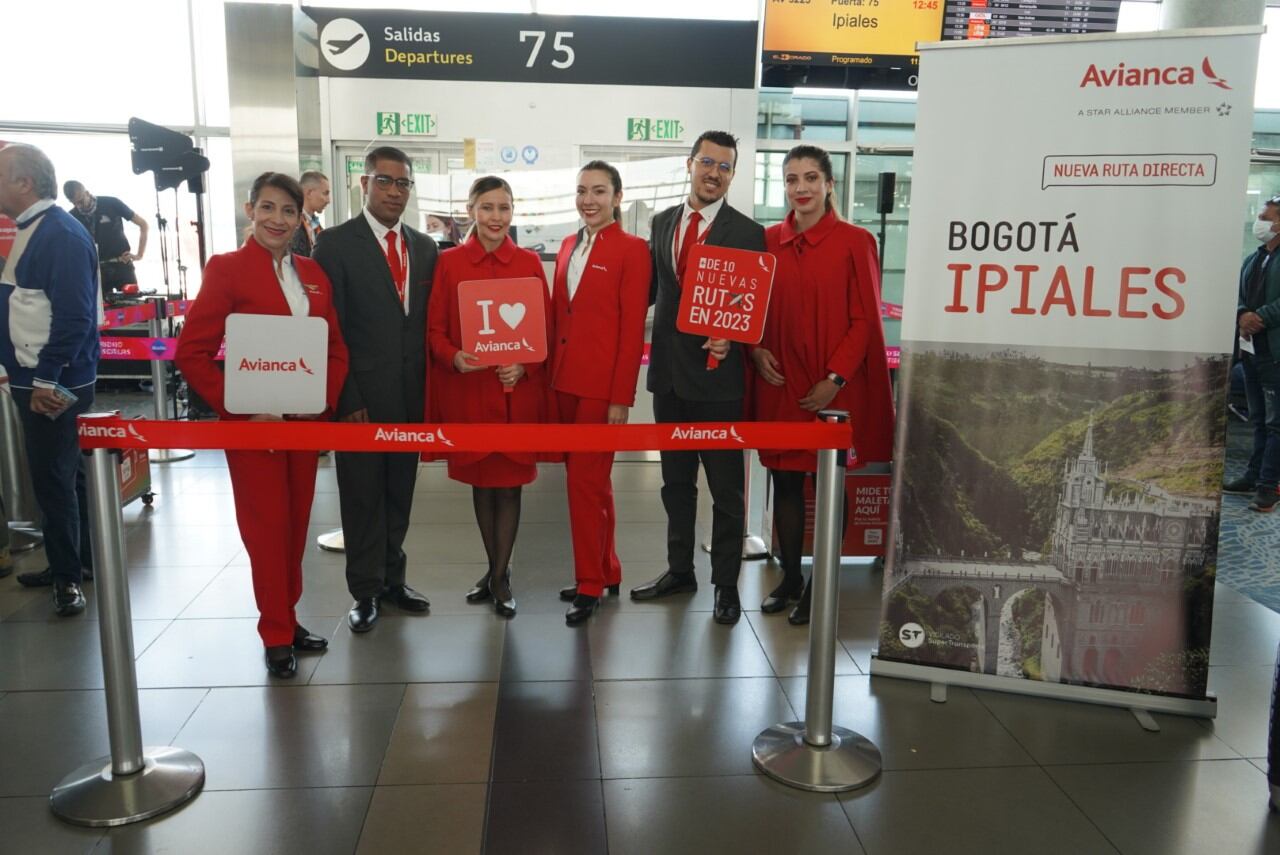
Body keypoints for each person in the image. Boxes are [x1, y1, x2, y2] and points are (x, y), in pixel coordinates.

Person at [176, 172, 348, 677]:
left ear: (300, 218)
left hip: (302, 427)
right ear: (250, 210)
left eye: (288, 211)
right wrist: (240, 409)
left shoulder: (312, 274)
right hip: (254, 429)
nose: (278, 219)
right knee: (266, 531)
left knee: (294, 529)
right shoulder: (227, 269)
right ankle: (274, 632)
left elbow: (334, 347)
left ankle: (288, 619)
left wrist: (321, 403)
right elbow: (192, 352)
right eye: (268, 208)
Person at [750, 144, 894, 625]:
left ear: (829, 184)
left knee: (830, 482)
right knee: (784, 479)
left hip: (833, 385)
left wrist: (835, 378)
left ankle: (821, 585)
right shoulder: (766, 241)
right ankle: (791, 576)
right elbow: (749, 306)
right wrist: (755, 350)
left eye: (811, 178)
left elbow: (865, 320)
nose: (801, 188)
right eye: (792, 179)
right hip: (779, 379)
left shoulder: (857, 241)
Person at [632, 130, 766, 626]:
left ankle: (726, 585)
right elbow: (653, 291)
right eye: (707, 162)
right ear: (690, 164)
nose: (714, 173)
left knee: (726, 492)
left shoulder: (748, 232)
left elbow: (753, 305)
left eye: (724, 167)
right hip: (668, 378)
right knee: (675, 485)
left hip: (718, 381)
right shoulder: (663, 222)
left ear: (733, 175)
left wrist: (734, 335)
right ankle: (679, 570)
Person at [313, 146, 438, 633]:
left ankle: (392, 581)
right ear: (364, 184)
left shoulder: (424, 247)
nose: (394, 191)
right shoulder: (335, 244)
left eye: (403, 183)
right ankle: (365, 590)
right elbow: (330, 328)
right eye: (384, 181)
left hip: (410, 395)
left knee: (399, 492)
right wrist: (346, 398)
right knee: (362, 496)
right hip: (360, 400)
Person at [428, 176, 551, 620]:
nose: (496, 217)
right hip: (471, 393)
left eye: (504, 208)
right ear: (471, 211)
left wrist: (526, 365)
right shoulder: (449, 263)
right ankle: (494, 568)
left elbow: (545, 330)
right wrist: (453, 357)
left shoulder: (530, 263)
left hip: (515, 396)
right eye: (487, 207)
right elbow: (435, 330)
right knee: (482, 485)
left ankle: (500, 577)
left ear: (513, 212)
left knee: (510, 486)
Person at [0, 145, 100, 615]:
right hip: (40, 377)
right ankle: (77, 559)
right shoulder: (38, 228)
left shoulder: (58, 234)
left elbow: (75, 316)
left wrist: (45, 379)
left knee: (53, 478)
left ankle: (66, 578)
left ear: (24, 183)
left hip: (51, 382)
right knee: (66, 473)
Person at [551, 161, 651, 625]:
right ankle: (607, 568)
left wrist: (620, 397)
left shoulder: (633, 250)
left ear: (617, 197)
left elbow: (631, 330)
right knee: (593, 484)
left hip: (599, 388)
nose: (588, 200)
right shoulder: (567, 245)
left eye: (598, 191)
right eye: (581, 191)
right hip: (563, 383)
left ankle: (589, 582)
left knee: (584, 486)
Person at [1228, 194, 1280, 512]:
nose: (1259, 223)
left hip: (1275, 353)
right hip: (1250, 352)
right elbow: (1237, 295)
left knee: (1276, 424)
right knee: (1258, 419)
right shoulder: (1254, 258)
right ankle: (1253, 475)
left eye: (1265, 217)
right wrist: (1241, 314)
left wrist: (1258, 318)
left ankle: (1268, 487)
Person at [63, 180, 148, 296]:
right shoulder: (71, 217)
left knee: (132, 303)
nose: (79, 206)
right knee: (99, 307)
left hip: (122, 264)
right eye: (75, 203)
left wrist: (139, 255)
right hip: (96, 271)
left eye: (81, 201)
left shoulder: (111, 203)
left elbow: (143, 224)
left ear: (87, 193)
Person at [288, 170, 330, 258]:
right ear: (309, 193)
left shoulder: (315, 225)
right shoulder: (292, 224)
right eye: (325, 193)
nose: (328, 200)